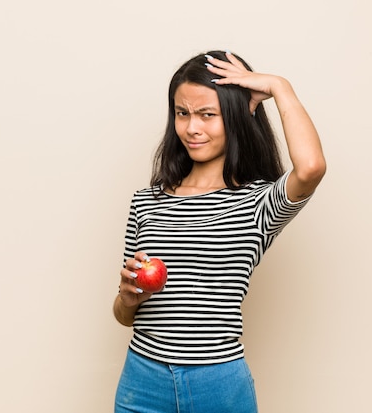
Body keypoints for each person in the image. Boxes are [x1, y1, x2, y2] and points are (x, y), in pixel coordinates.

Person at [113, 50, 326, 413]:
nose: (192, 128)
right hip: (141, 379)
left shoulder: (257, 203)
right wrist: (128, 299)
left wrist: (279, 87)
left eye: (207, 115)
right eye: (183, 114)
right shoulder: (146, 202)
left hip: (217, 383)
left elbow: (310, 168)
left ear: (236, 118)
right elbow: (123, 314)